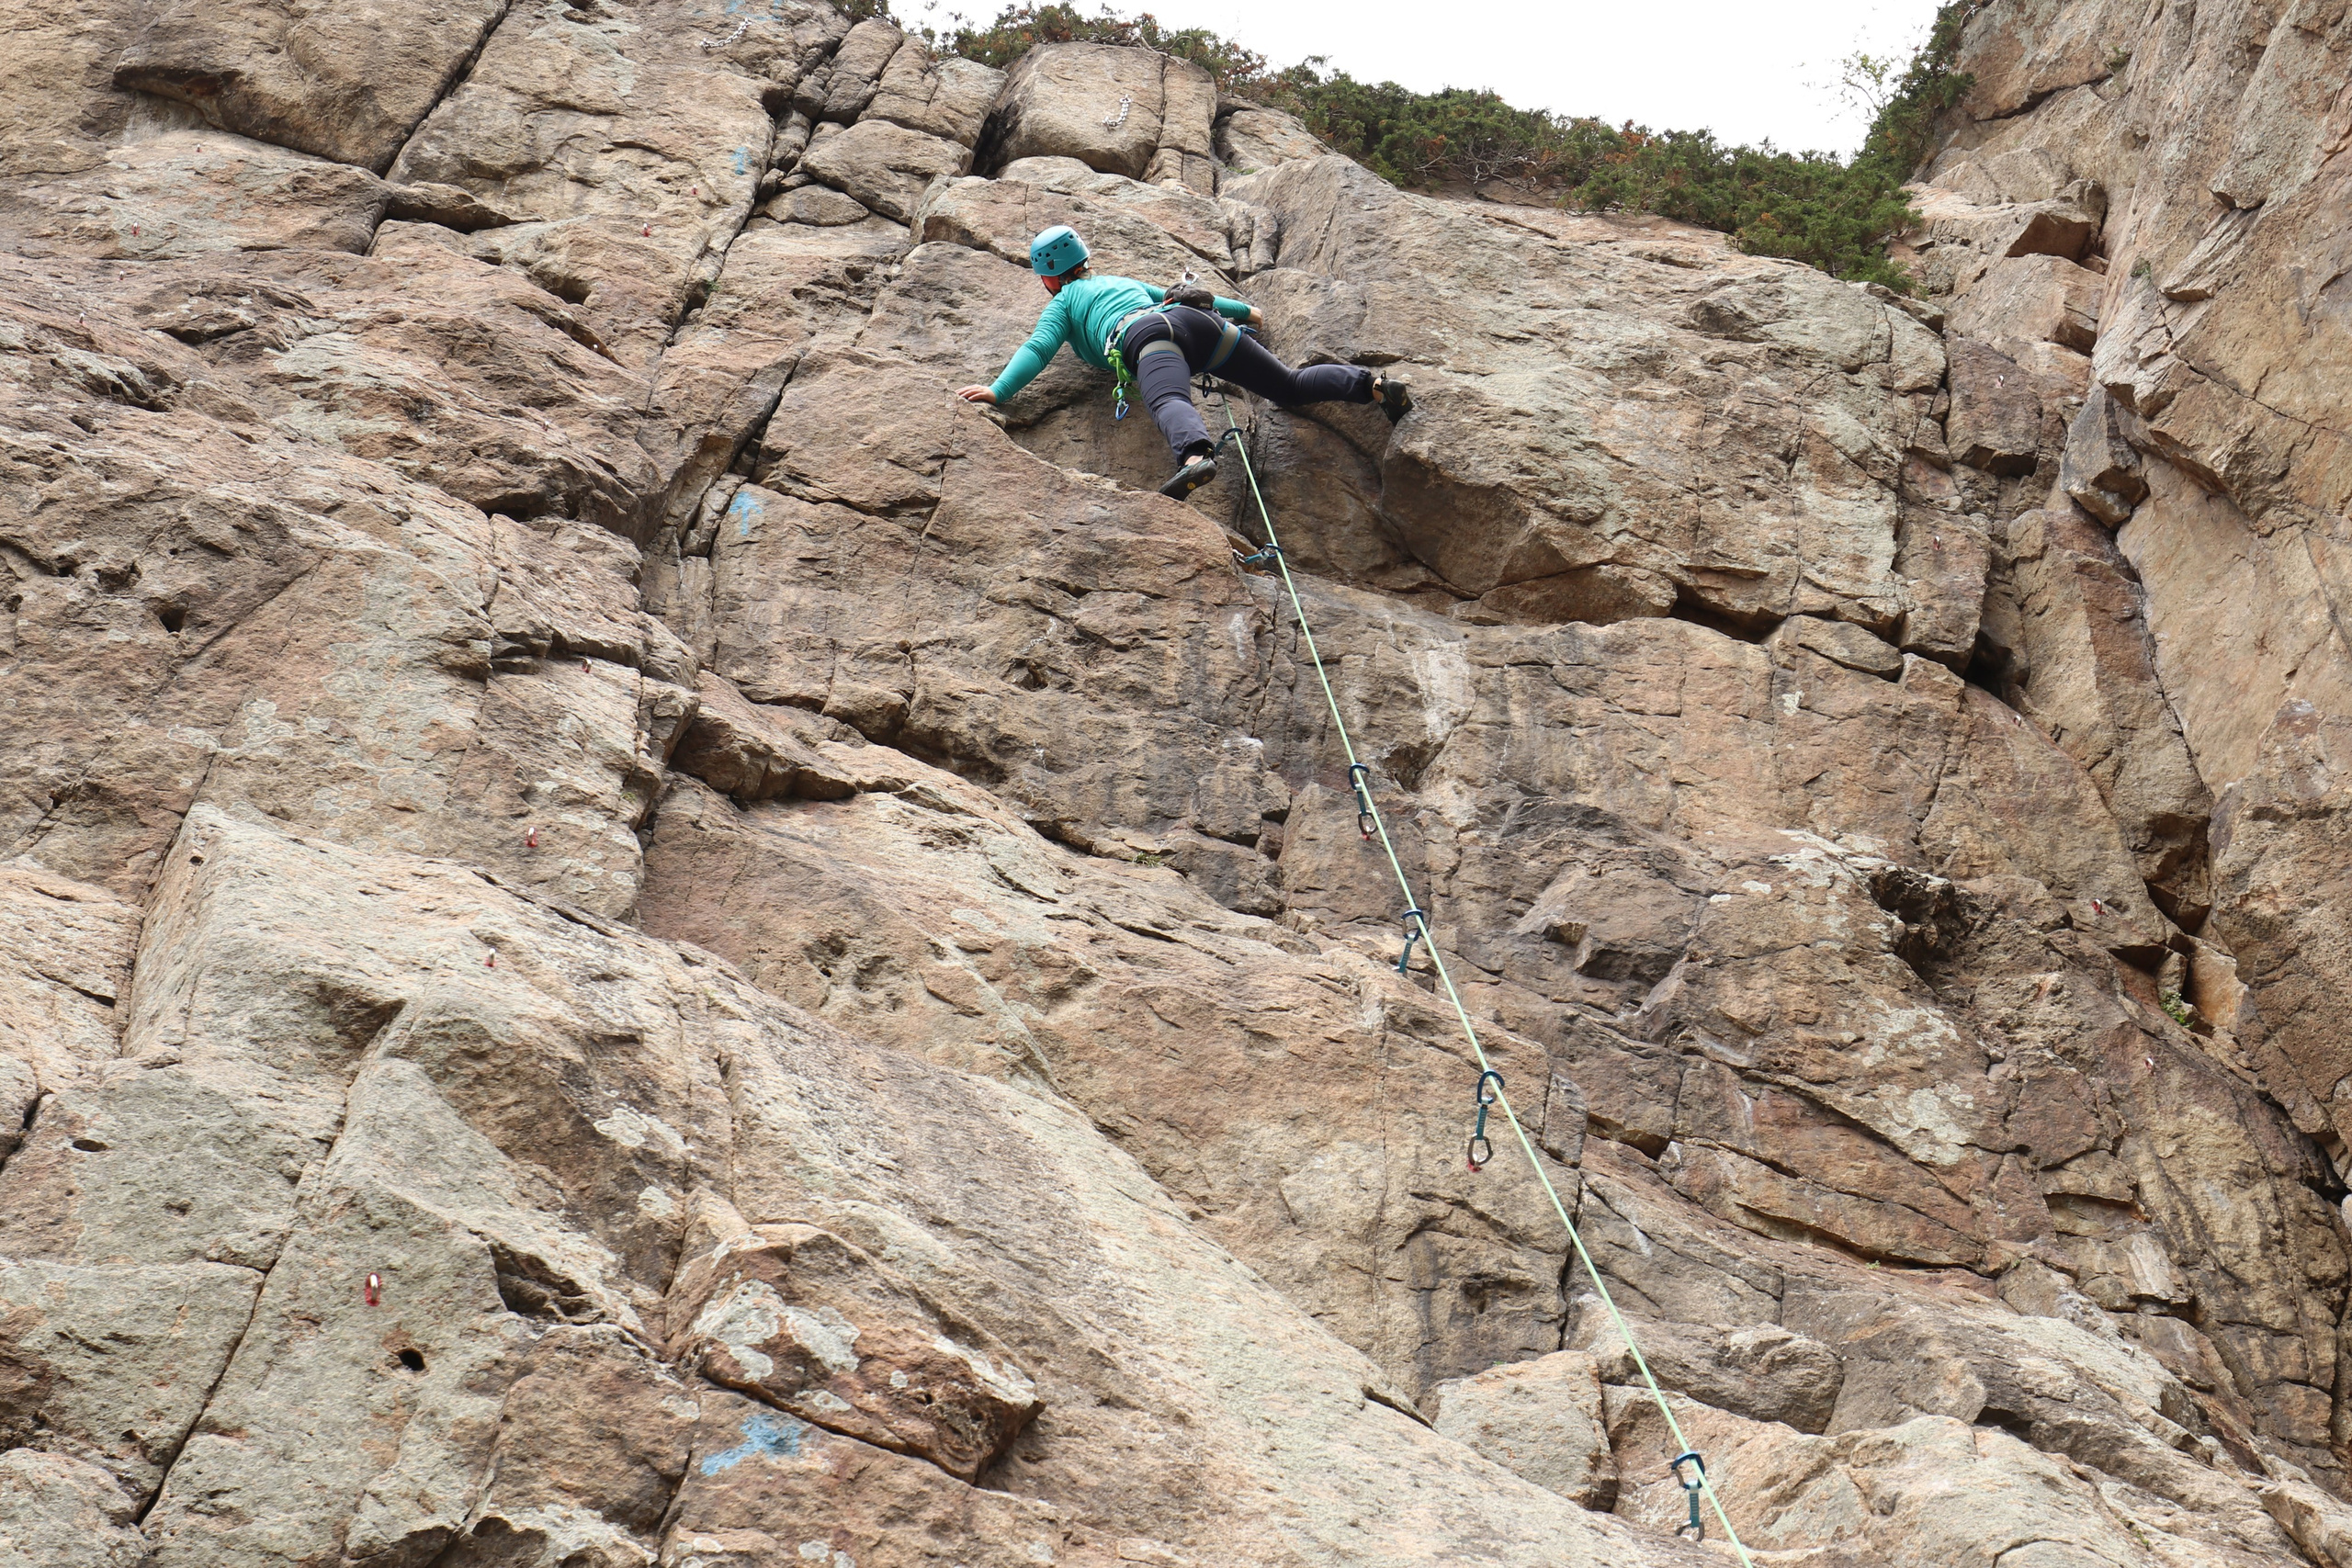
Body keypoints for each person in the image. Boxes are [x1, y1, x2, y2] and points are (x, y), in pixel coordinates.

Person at [956, 225, 1411, 500]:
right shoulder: (1120, 281)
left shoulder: (1063, 303)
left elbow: (1038, 349)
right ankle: (1372, 387)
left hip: (1148, 338)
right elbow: (1175, 296)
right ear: (1084, 260)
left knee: (1168, 396)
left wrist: (999, 390)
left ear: (1049, 276)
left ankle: (1196, 457)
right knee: (1289, 386)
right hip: (1202, 324)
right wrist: (1247, 312)